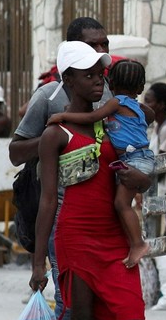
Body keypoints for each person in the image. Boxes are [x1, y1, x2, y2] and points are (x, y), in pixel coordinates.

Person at [9, 17, 145, 320]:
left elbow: (136, 154)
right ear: (69, 74)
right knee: (76, 318)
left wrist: (140, 175)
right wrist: (59, 137)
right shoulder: (49, 102)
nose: (102, 65)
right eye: (93, 51)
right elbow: (28, 167)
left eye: (105, 48)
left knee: (126, 313)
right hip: (71, 229)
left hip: (112, 228)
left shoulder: (112, 102)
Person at [47, 60, 153, 268]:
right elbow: (147, 117)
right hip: (142, 157)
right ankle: (131, 242)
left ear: (110, 84)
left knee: (121, 204)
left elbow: (93, 116)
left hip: (133, 159)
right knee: (122, 202)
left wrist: (63, 115)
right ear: (141, 88)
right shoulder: (137, 107)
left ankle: (137, 244)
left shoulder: (117, 103)